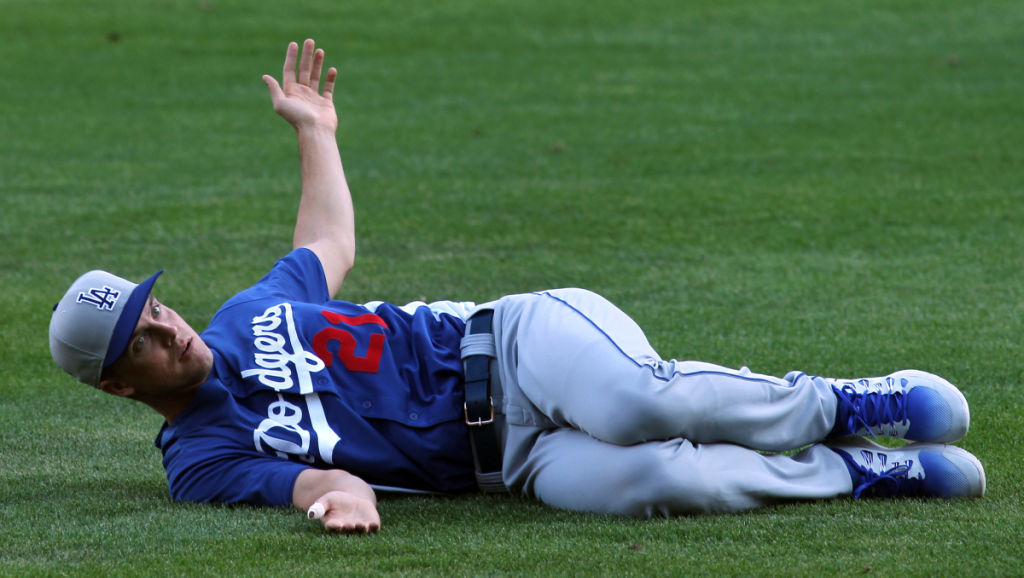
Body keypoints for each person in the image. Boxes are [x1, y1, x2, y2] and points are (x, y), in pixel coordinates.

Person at [49, 39, 985, 534]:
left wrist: (316, 132)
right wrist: (343, 497)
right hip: (513, 467)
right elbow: (310, 479)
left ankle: (850, 400)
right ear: (120, 386)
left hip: (520, 346)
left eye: (156, 306)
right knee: (653, 480)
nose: (169, 328)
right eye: (143, 338)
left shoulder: (252, 316)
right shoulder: (201, 463)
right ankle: (861, 471)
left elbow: (328, 241)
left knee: (628, 403)